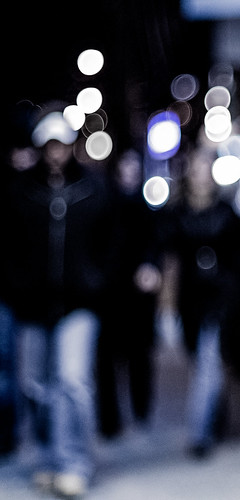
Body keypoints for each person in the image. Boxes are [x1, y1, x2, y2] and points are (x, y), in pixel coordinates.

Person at [2, 105, 116, 497]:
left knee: (72, 380)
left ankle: (74, 462)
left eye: (62, 144)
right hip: (32, 304)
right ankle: (51, 457)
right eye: (49, 144)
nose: (56, 152)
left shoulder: (93, 188)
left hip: (78, 303)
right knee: (35, 385)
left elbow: (111, 240)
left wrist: (97, 280)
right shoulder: (20, 191)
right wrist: (15, 283)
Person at [161, 146, 240, 458]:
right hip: (191, 300)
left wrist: (236, 288)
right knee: (202, 361)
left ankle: (199, 434)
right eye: (196, 169)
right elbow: (166, 254)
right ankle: (215, 413)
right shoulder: (177, 214)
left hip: (222, 297)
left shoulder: (227, 213)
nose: (201, 176)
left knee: (209, 362)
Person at [96, 148, 162, 438]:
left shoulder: (145, 209)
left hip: (138, 298)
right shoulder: (104, 205)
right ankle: (110, 420)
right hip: (110, 294)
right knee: (108, 360)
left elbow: (156, 244)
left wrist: (150, 266)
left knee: (139, 357)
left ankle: (140, 409)